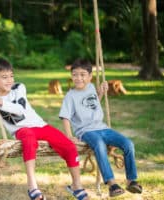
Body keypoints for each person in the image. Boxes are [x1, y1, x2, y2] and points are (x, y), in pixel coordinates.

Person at [0, 58, 89, 200]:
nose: (9, 80)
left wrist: (0, 102)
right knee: (29, 139)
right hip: (21, 130)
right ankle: (32, 185)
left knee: (68, 145)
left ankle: (76, 185)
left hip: (40, 125)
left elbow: (20, 110)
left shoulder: (18, 88)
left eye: (11, 76)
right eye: (4, 77)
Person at [59, 58, 143, 197]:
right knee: (99, 145)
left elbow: (94, 103)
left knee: (128, 144)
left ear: (90, 77)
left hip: (103, 128)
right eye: (74, 74)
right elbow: (65, 117)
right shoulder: (70, 96)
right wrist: (69, 136)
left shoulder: (91, 87)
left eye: (82, 74)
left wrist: (101, 93)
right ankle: (112, 184)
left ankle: (131, 181)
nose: (78, 78)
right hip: (86, 131)